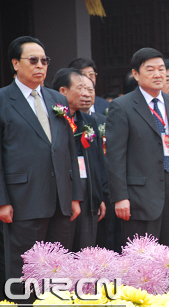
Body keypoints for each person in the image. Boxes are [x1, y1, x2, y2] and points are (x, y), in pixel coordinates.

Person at [0, 37, 83, 299]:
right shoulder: (3, 99)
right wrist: (2, 201)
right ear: (15, 63)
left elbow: (70, 149)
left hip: (60, 197)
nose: (40, 66)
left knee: (57, 264)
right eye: (33, 60)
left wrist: (75, 195)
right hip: (22, 198)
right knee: (23, 266)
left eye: (44, 61)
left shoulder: (57, 98)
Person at [106, 48, 169, 247]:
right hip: (139, 194)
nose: (158, 74)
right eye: (150, 70)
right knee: (142, 258)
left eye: (161, 69)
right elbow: (115, 156)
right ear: (135, 74)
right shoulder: (121, 106)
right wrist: (120, 197)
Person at [52, 68, 108, 251]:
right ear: (63, 91)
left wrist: (98, 196)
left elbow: (98, 161)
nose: (86, 94)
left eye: (89, 89)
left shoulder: (89, 121)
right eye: (81, 88)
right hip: (63, 195)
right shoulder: (54, 119)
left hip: (88, 194)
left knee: (86, 250)